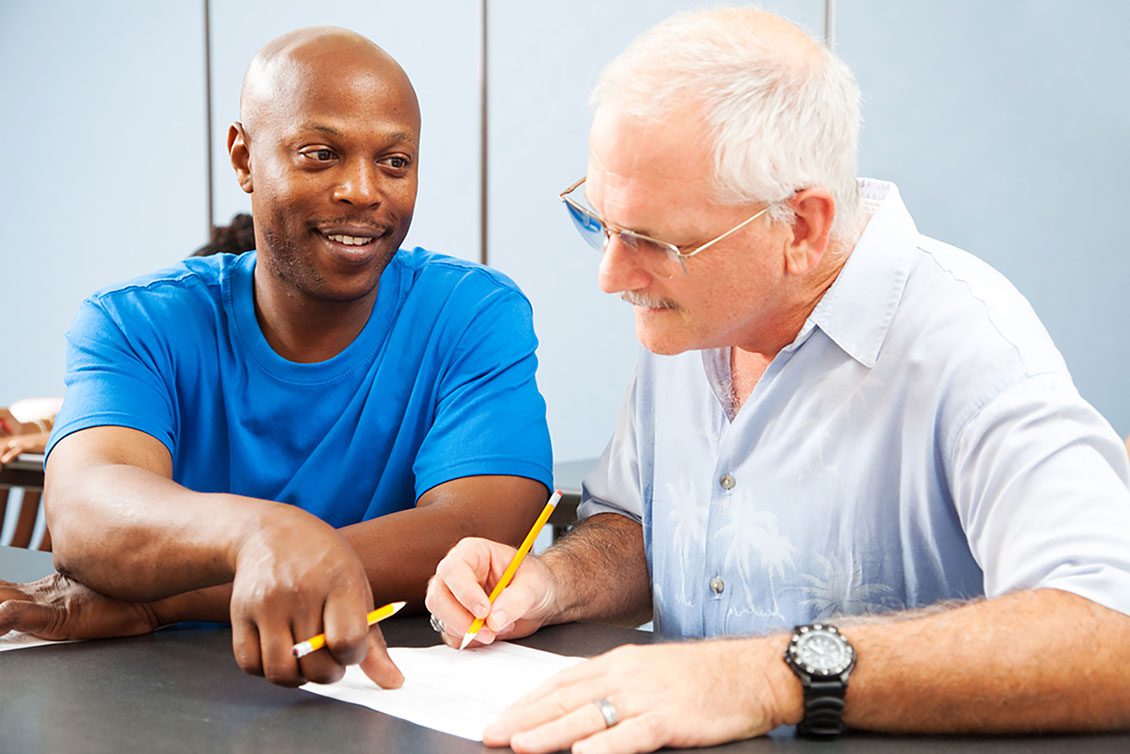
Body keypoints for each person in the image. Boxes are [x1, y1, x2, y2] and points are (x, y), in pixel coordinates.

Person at [425, 7, 1130, 751]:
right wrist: (553, 582)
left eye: (653, 241)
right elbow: (637, 528)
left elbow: (1110, 628)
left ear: (800, 227)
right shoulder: (695, 314)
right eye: (600, 222)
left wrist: (765, 675)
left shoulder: (969, 348)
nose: (612, 275)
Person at [0, 27, 552, 691]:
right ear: (244, 158)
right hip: (166, 695)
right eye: (320, 154)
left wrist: (159, 600)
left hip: (390, 692)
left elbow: (478, 532)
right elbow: (87, 513)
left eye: (395, 162)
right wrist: (260, 533)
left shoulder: (473, 313)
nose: (362, 190)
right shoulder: (135, 321)